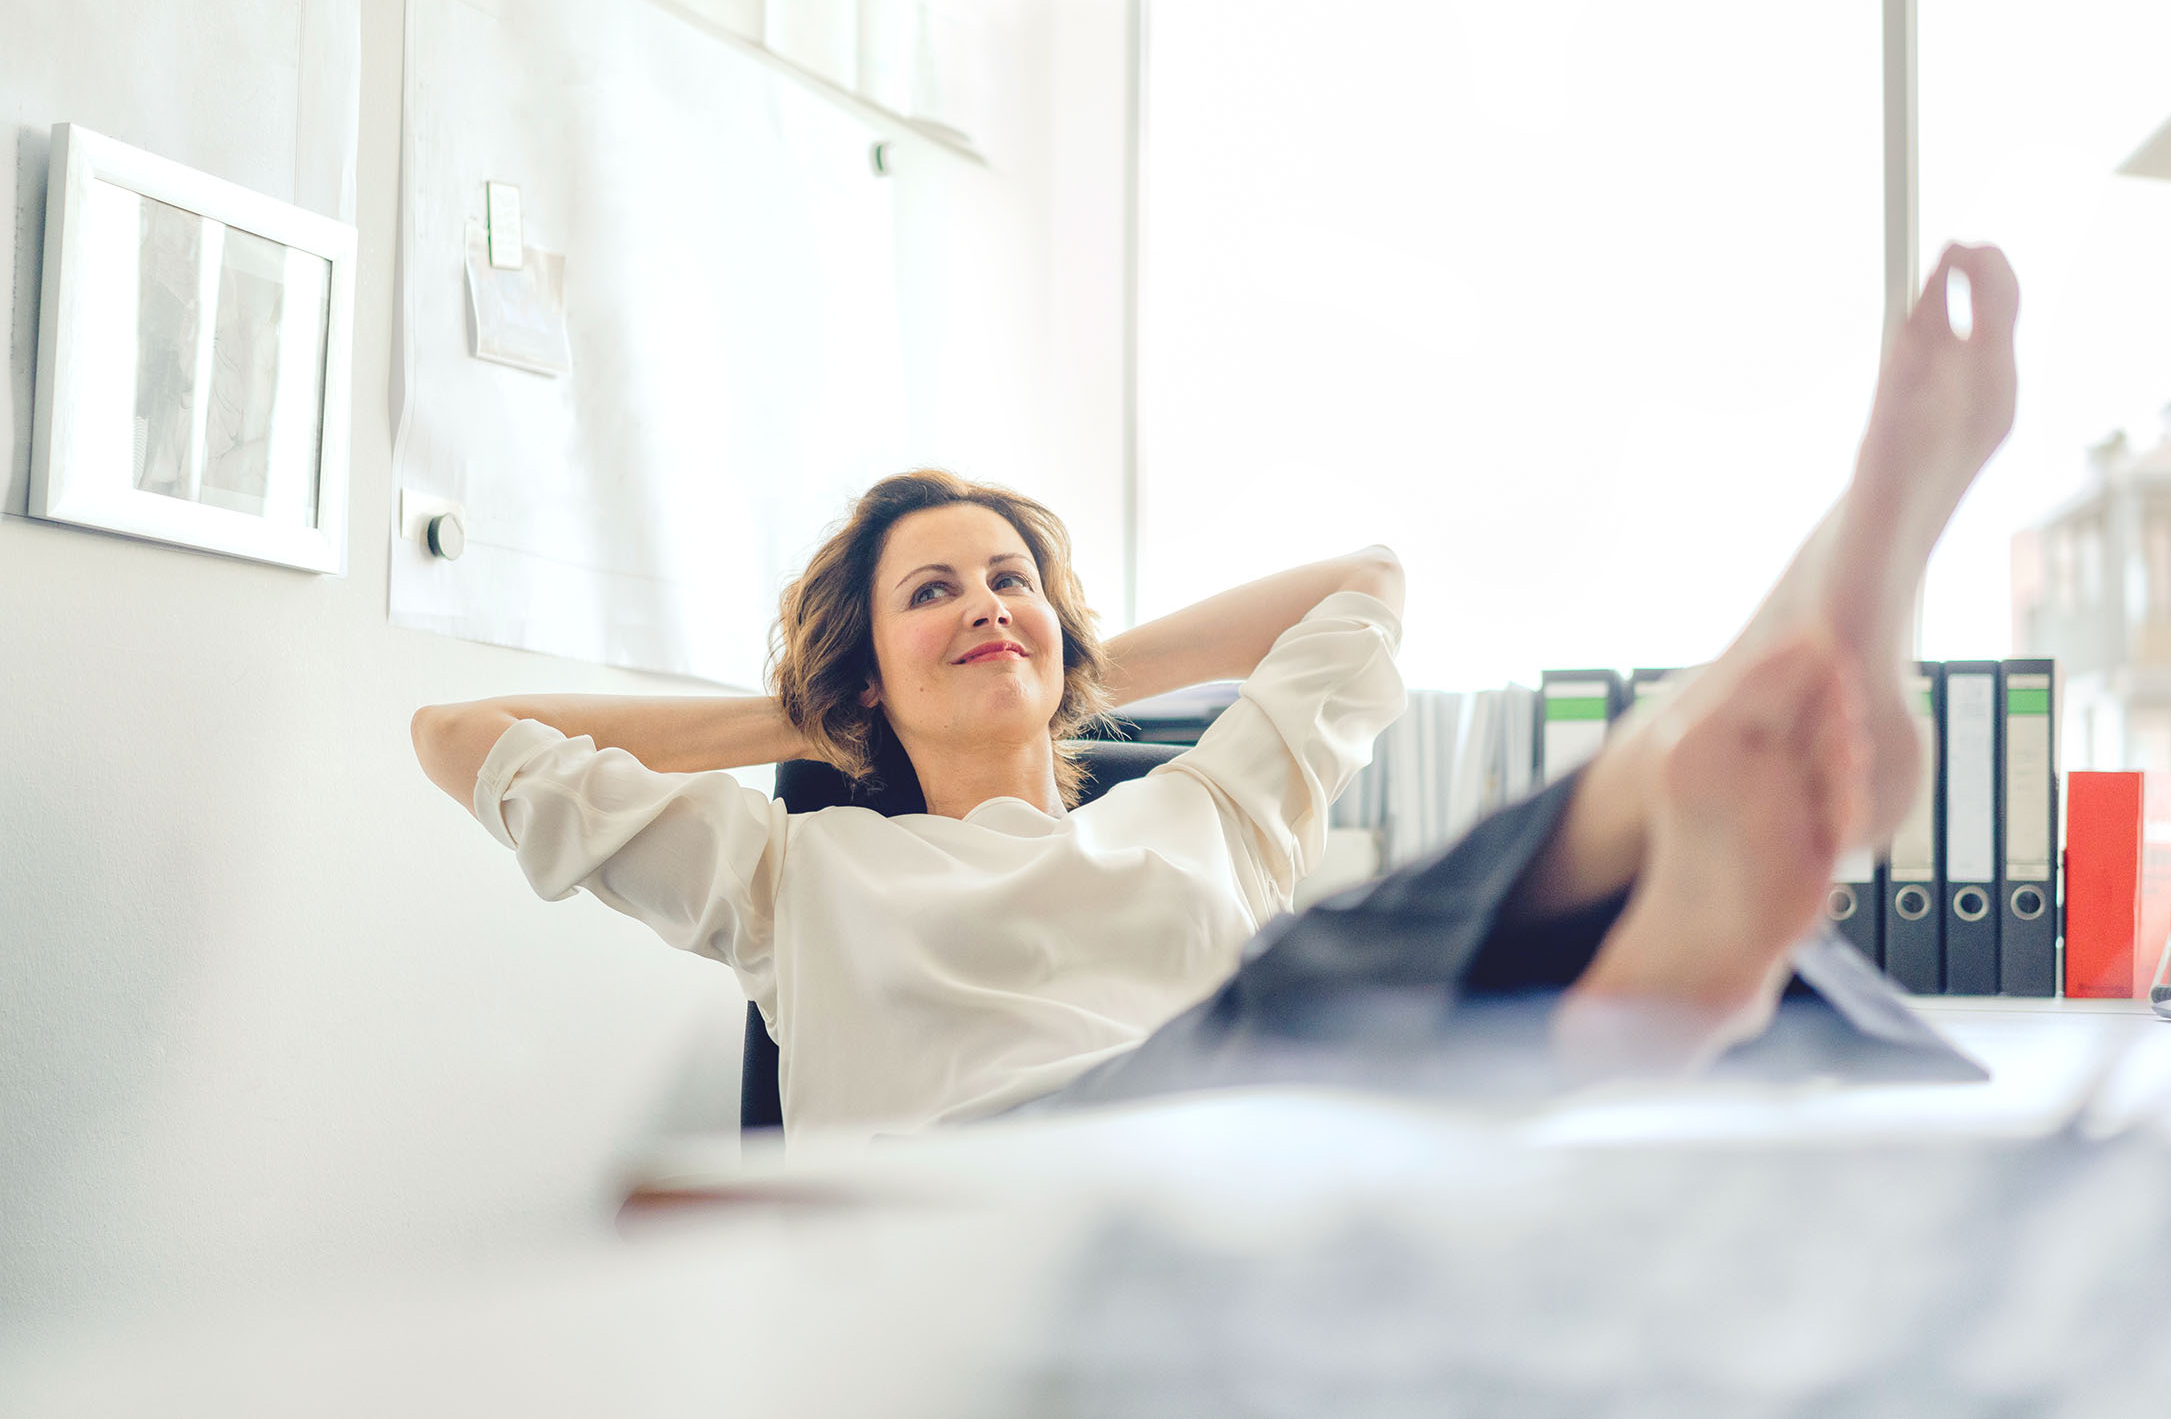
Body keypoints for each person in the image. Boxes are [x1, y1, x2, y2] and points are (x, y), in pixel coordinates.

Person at [412, 243, 2018, 1139]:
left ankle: (1693, 870)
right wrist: (816, 720)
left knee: (1351, 965)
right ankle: (1690, 860)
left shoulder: (1198, 814)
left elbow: (1359, 593)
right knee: (1309, 1005)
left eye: (1009, 583)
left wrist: (1069, 662)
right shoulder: (790, 875)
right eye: (934, 593)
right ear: (862, 670)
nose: (985, 604)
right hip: (1010, 1179)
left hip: (1261, 1121)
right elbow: (459, 736)